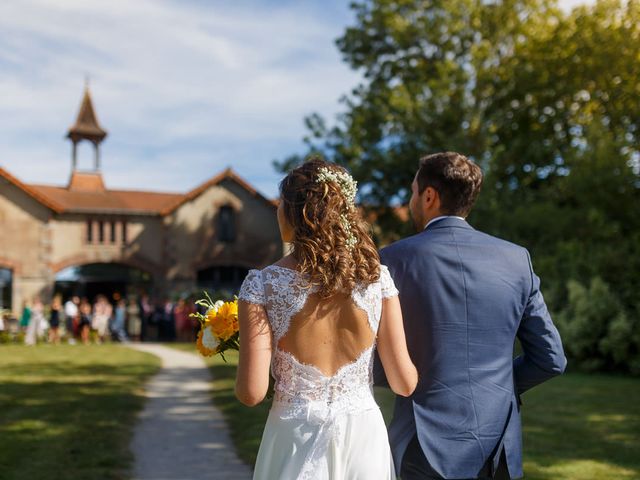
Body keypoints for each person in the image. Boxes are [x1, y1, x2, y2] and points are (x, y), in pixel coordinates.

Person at [376, 152, 567, 480]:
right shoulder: (516, 259)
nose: (410, 202)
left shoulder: (392, 260)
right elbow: (551, 358)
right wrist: (496, 386)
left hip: (421, 443)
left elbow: (371, 358)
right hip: (497, 448)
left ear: (429, 195)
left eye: (411, 192)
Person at [236, 158, 417, 479]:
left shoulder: (261, 285)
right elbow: (404, 384)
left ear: (296, 213)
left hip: (294, 436)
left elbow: (252, 393)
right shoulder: (379, 281)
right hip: (364, 437)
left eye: (280, 205)